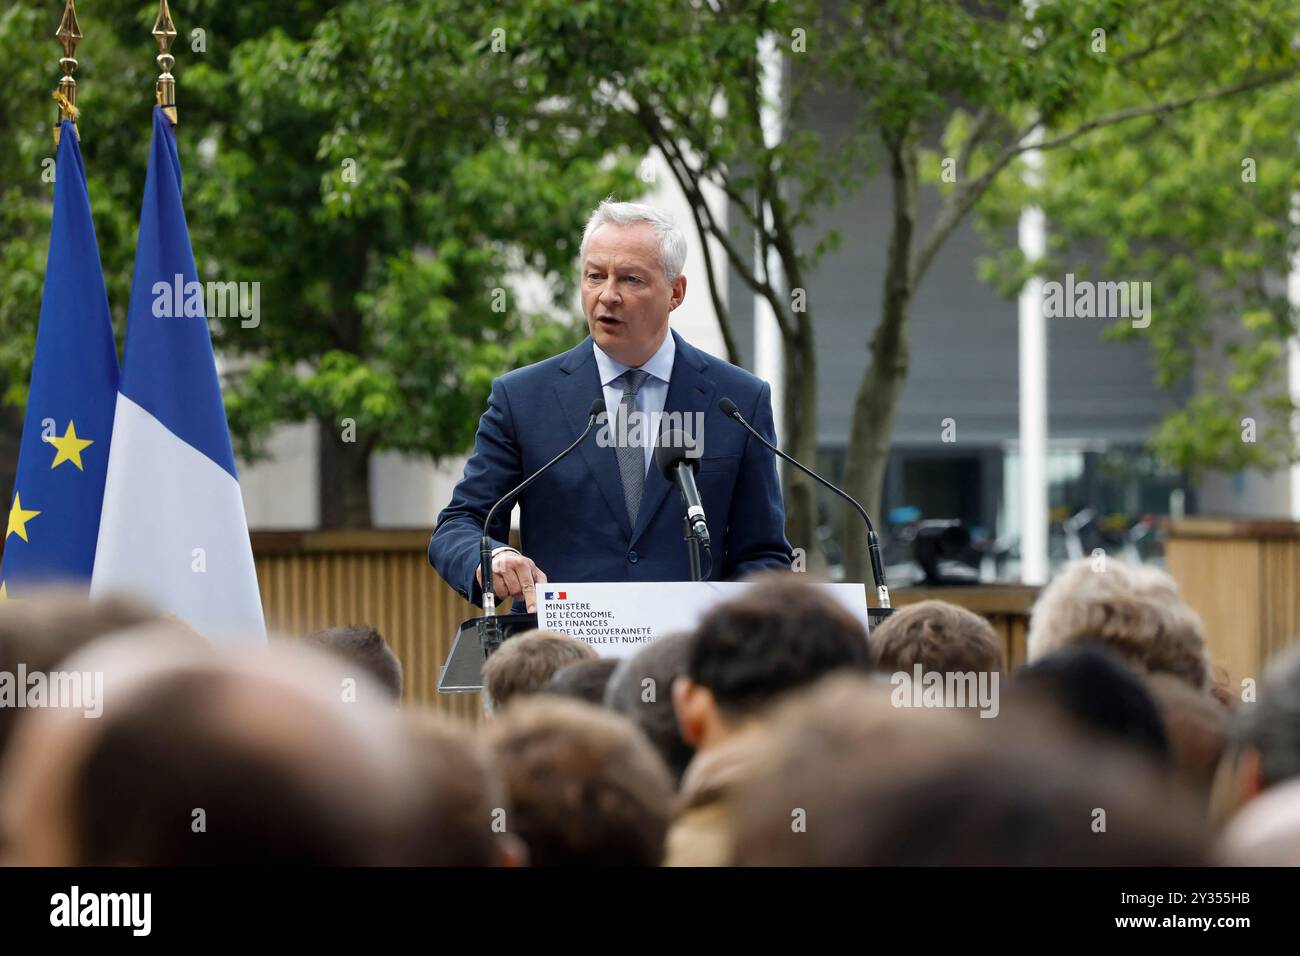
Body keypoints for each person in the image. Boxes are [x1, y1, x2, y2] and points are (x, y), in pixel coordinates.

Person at [428, 200, 791, 613]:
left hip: (690, 662)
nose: (608, 295)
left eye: (631, 279)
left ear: (676, 292)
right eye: (595, 276)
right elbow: (458, 526)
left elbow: (764, 555)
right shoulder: (523, 399)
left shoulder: (738, 401)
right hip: (562, 660)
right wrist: (492, 557)